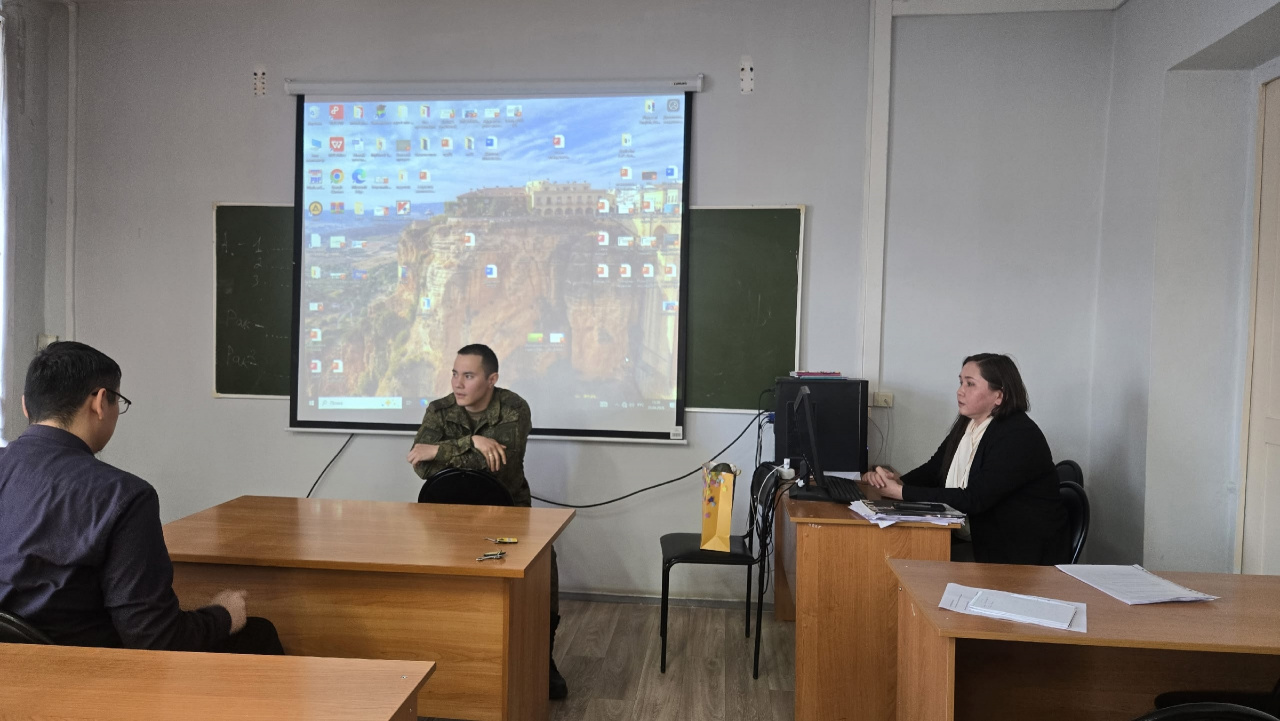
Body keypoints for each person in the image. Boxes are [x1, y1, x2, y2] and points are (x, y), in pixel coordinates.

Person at [0, 341, 283, 653]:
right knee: (258, 633)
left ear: (26, 406)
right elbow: (155, 639)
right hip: (84, 671)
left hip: (12, 669)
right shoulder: (124, 495)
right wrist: (224, 615)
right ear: (100, 402)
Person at [408, 343, 567, 699]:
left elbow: (498, 464)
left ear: (491, 379)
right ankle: (459, 660)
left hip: (508, 512)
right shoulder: (439, 410)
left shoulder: (514, 408)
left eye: (468, 375)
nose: (457, 383)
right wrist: (475, 442)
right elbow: (421, 466)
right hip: (448, 519)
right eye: (454, 373)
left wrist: (444, 450)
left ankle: (543, 659)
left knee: (544, 570)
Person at [865, 353, 1068, 565]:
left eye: (970, 384)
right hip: (977, 537)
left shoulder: (1018, 435)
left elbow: (975, 498)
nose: (960, 391)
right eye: (961, 382)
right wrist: (896, 481)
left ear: (999, 396)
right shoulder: (969, 422)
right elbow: (935, 468)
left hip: (1017, 552)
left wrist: (901, 492)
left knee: (911, 559)